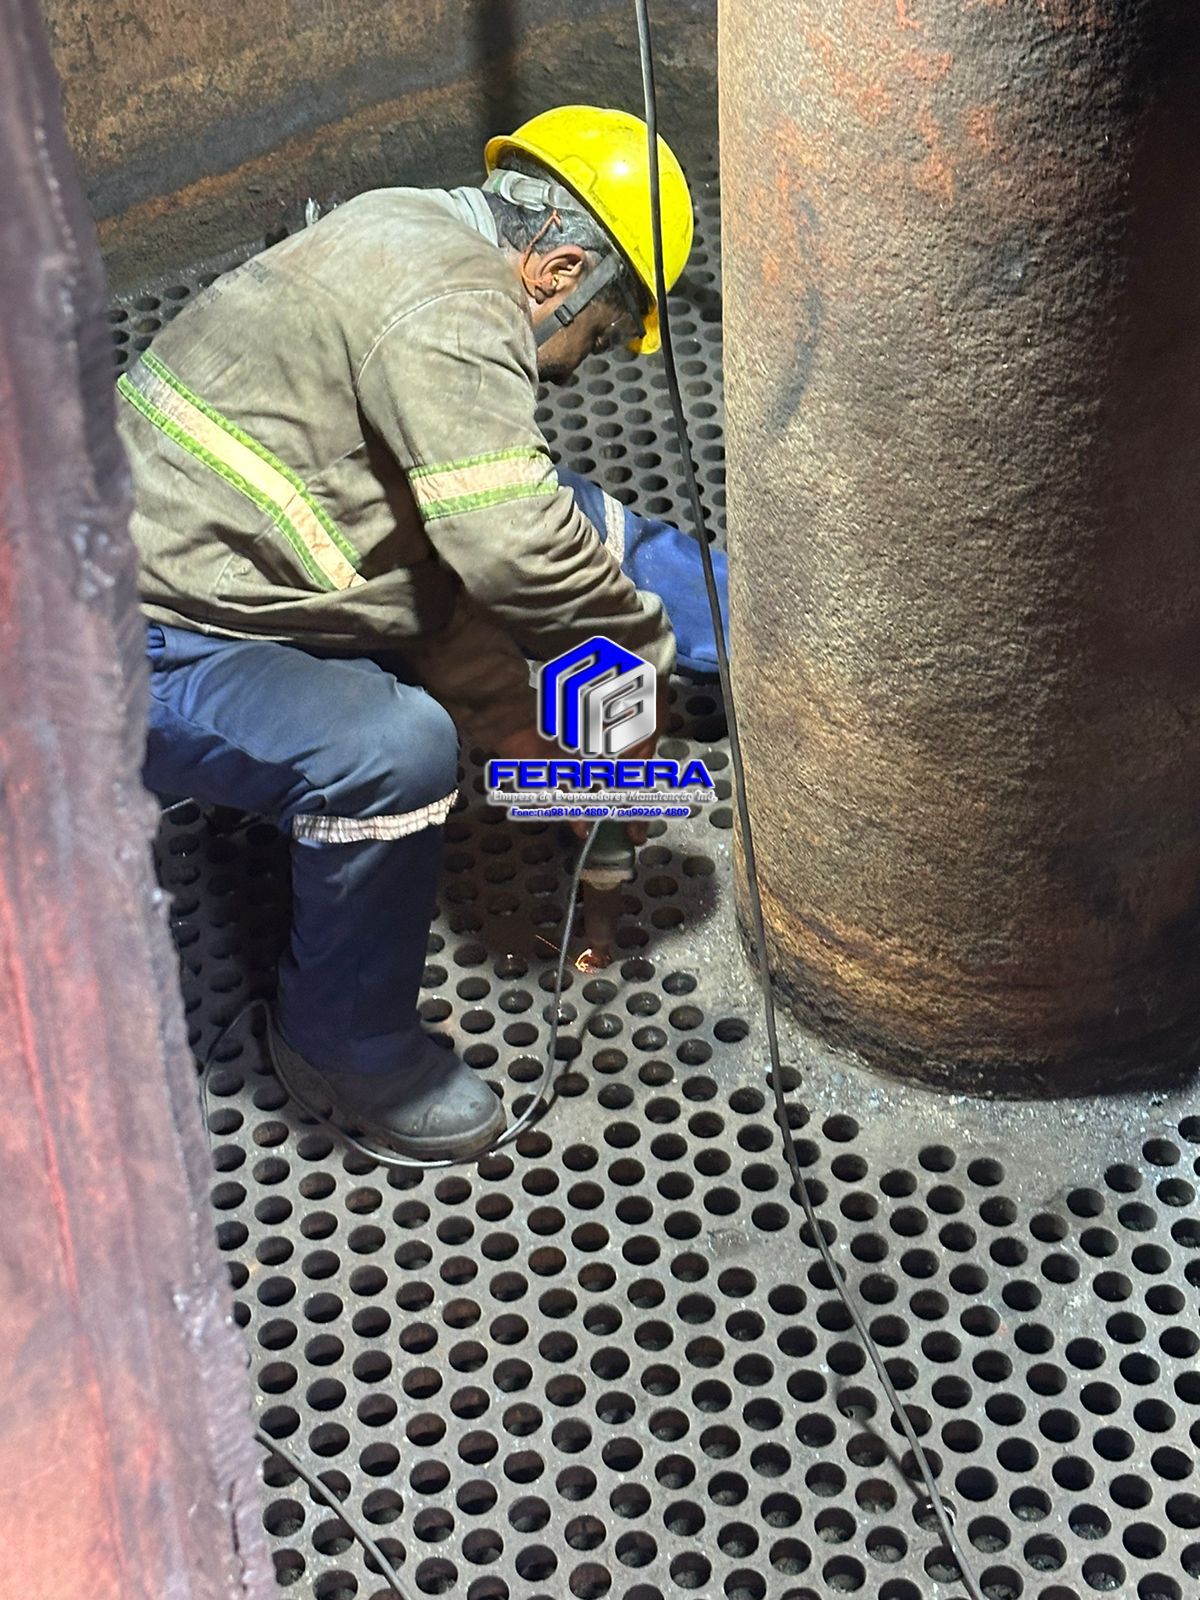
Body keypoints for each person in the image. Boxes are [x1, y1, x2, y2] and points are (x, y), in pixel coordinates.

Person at [119, 104, 727, 1162]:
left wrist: (549, 741)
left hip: (212, 547)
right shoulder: (452, 309)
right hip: (138, 643)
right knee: (393, 751)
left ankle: (761, 630)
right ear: (559, 267)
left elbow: (493, 548)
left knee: (552, 510)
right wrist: (638, 692)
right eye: (596, 329)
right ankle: (344, 1051)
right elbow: (509, 564)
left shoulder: (412, 225)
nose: (580, 364)